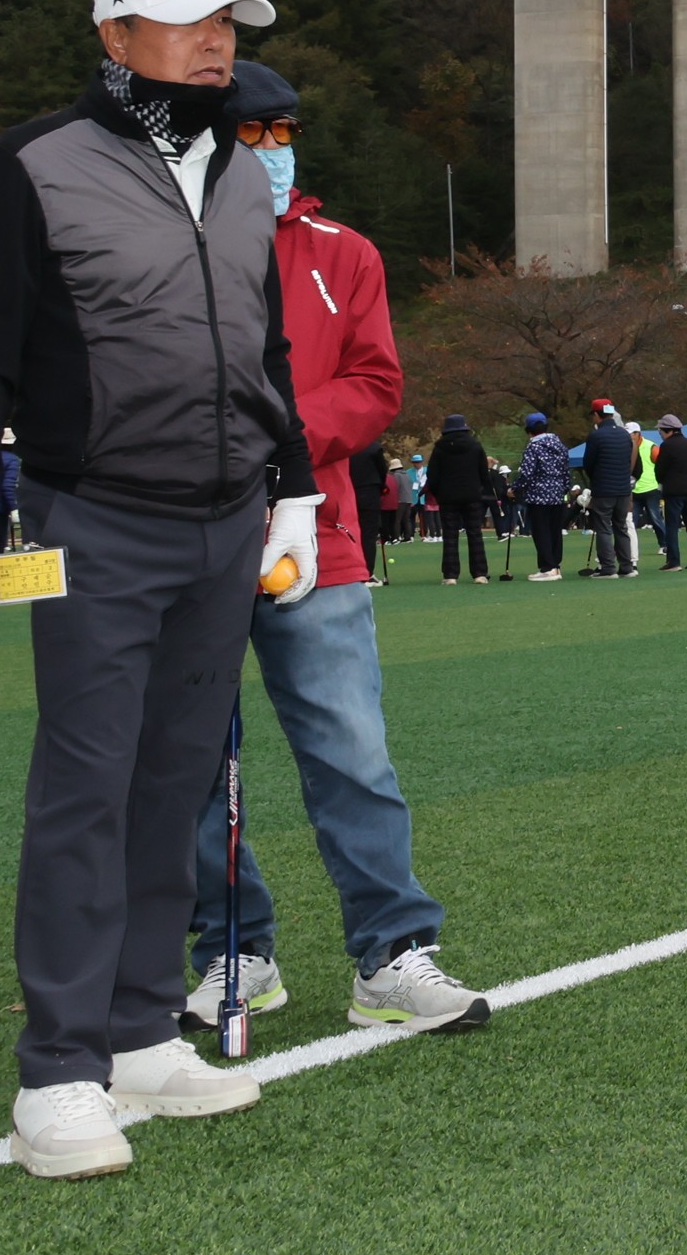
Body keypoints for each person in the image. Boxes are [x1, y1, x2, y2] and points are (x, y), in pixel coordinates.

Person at [0, 0, 320, 1180]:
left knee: (176, 779)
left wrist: (293, 489)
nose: (218, 43)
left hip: (222, 522)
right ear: (114, 36)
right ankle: (60, 1067)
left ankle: (143, 1027)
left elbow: (265, 355)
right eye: (189, 22)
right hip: (88, 520)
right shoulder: (30, 165)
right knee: (86, 784)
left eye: (228, 25)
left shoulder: (247, 177)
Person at [183, 60, 490, 1039]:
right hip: (183, 541)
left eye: (284, 131)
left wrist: (270, 430)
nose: (273, 149)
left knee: (352, 754)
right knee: (188, 759)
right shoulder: (154, 243)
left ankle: (391, 954)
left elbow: (375, 385)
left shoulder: (341, 251)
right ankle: (234, 948)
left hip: (318, 537)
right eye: (251, 134)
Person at [425, 412, 493, 584]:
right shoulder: (475, 446)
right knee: (475, 534)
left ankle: (450, 575)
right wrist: (484, 491)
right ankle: (480, 573)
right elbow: (484, 473)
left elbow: (432, 476)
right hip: (472, 495)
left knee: (450, 535)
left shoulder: (439, 449)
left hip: (447, 497)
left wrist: (436, 493)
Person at [581, 402, 639, 576]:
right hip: (623, 489)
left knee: (604, 528)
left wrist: (596, 479)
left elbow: (588, 464)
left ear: (598, 415)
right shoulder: (624, 435)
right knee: (621, 527)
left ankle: (608, 568)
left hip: (604, 489)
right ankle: (627, 567)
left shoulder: (596, 436)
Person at [514, 411, 571, 579]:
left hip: (538, 495)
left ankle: (547, 567)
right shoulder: (560, 445)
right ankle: (555, 566)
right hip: (558, 494)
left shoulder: (533, 447)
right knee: (554, 531)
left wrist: (515, 489)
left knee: (541, 531)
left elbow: (527, 473)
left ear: (529, 430)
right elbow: (566, 471)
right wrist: (564, 489)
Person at [653, 414, 687, 570]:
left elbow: (660, 469)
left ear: (667, 430)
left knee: (672, 526)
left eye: (661, 431)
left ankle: (674, 561)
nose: (660, 434)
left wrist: (661, 480)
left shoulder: (667, 446)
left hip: (674, 491)